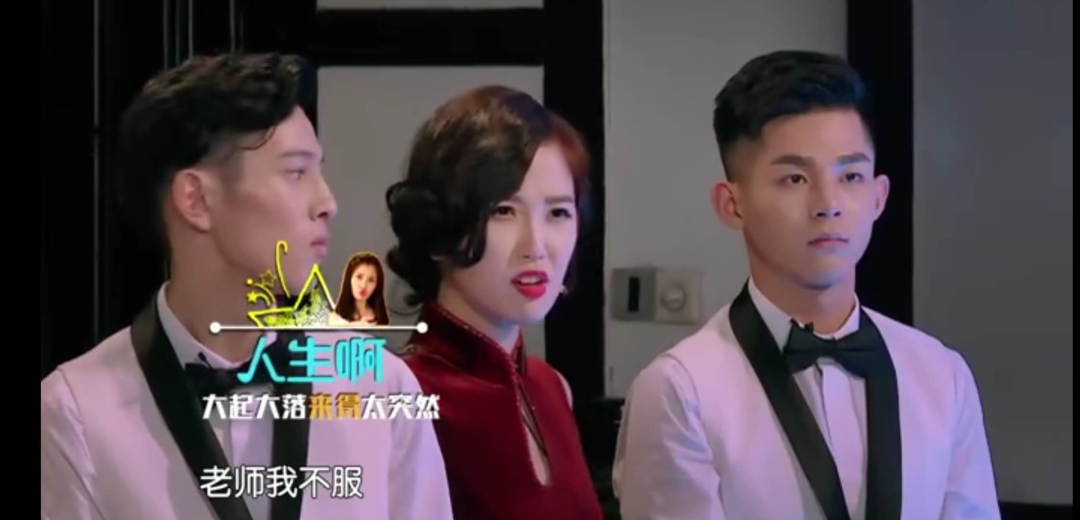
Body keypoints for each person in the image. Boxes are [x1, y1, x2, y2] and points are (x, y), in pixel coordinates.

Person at [40, 53, 453, 520]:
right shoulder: (75, 412)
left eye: (318, 171)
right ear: (196, 199)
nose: (327, 202)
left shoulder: (381, 387)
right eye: (296, 173)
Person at [613, 51, 1000, 520]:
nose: (828, 203)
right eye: (795, 178)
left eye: (850, 176)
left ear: (879, 197)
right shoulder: (681, 391)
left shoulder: (942, 376)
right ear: (732, 204)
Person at [385, 85, 604, 520]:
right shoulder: (399, 395)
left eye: (558, 213)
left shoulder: (552, 387)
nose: (536, 246)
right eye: (503, 211)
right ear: (440, 226)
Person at [330, 252, 391, 327]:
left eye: (371, 280)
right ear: (349, 279)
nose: (363, 285)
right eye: (359, 277)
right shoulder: (335, 318)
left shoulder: (380, 318)